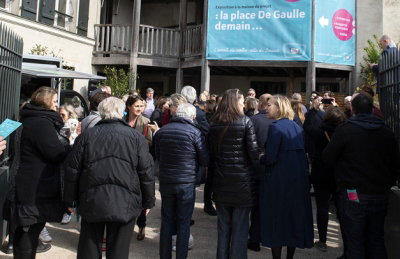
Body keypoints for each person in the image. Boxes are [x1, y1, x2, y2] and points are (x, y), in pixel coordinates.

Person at [64, 97, 155, 259]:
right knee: (118, 250)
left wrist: (70, 199)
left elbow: (72, 171)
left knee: (89, 247)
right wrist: (147, 201)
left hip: (92, 198)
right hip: (124, 200)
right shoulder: (135, 137)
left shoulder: (86, 136)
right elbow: (146, 172)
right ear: (121, 113)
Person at [322, 94, 400, 259]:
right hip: (378, 194)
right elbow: (395, 164)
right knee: (376, 241)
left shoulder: (345, 131)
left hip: (353, 194)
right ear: (372, 110)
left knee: (355, 245)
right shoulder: (386, 132)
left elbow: (327, 158)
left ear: (352, 110)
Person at [4, 86, 69, 258]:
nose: (56, 106)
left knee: (28, 229)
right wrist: (71, 149)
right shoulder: (40, 122)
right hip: (33, 186)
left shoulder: (29, 117)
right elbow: (55, 151)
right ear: (46, 102)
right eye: (54, 102)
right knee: (29, 230)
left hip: (27, 182)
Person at [259, 95, 314, 259]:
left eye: (269, 105)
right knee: (292, 220)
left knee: (277, 220)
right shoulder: (296, 126)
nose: (266, 108)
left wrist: (260, 157)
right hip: (297, 181)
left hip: (278, 181)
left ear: (279, 107)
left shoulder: (275, 127)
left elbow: (270, 157)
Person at [208, 89, 259, 259]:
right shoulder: (246, 122)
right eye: (242, 101)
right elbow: (253, 153)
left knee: (223, 228)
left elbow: (212, 154)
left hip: (222, 180)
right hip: (242, 183)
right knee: (240, 229)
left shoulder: (214, 123)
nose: (244, 104)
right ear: (235, 102)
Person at [155, 103, 209, 259]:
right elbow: (205, 159)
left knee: (166, 221)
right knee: (183, 223)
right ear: (191, 117)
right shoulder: (195, 132)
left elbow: (159, 156)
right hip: (186, 182)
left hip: (166, 181)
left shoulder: (162, 132)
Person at [304, 101, 348, 254]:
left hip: (321, 173)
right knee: (342, 209)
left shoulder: (321, 133)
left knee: (322, 206)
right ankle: (348, 242)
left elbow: (307, 126)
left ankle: (322, 241)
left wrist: (313, 109)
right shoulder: (345, 133)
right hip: (339, 175)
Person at [248, 93, 273, 252]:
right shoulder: (279, 120)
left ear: (261, 104)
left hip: (256, 166)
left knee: (256, 206)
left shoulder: (254, 120)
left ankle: (255, 237)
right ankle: (265, 236)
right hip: (271, 168)